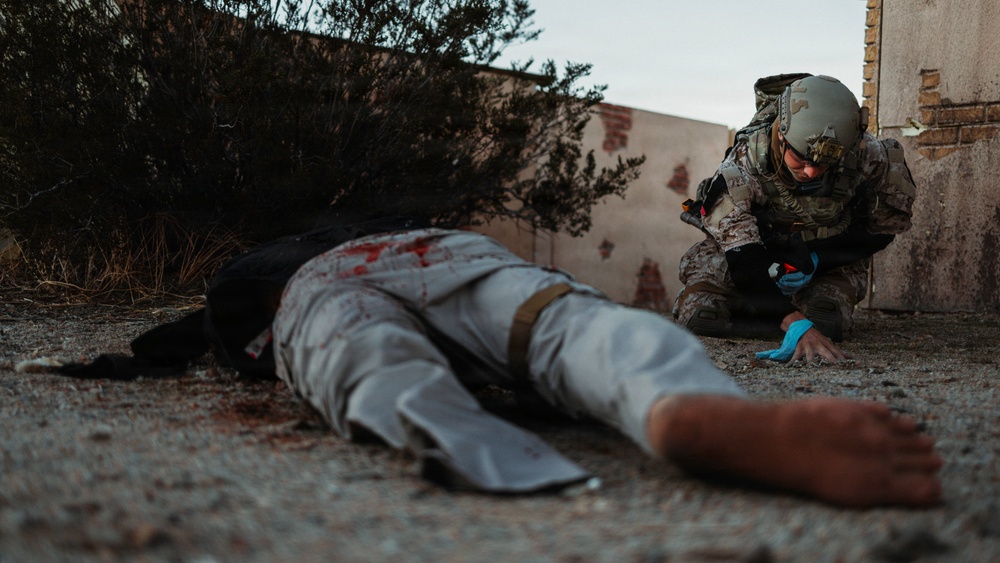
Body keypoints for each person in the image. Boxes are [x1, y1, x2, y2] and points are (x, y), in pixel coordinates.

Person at [59, 220, 941, 507]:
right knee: (568, 329)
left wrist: (127, 358)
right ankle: (684, 404)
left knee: (376, 369)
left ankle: (485, 449)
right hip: (448, 251)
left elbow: (173, 340)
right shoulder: (375, 226)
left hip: (321, 298)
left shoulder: (255, 286)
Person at [674, 74, 917, 363]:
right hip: (752, 253)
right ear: (781, 135)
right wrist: (795, 323)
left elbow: (884, 229)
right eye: (801, 159)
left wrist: (818, 259)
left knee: (828, 324)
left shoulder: (869, 155)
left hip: (828, 258)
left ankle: (776, 310)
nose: (811, 172)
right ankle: (762, 308)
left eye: (825, 164)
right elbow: (743, 260)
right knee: (703, 319)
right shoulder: (742, 168)